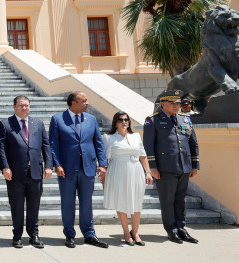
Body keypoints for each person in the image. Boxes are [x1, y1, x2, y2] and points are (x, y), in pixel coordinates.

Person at [49, 91, 108, 249]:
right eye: (84, 101)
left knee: (87, 203)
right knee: (67, 203)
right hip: (67, 169)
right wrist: (57, 164)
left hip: (88, 167)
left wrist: (102, 164)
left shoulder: (91, 119)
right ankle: (69, 234)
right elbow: (53, 144)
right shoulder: (58, 119)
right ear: (73, 103)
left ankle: (89, 234)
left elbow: (98, 143)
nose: (87, 103)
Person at [144, 90, 200, 244]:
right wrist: (153, 167)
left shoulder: (185, 119)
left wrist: (195, 165)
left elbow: (193, 143)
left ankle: (181, 228)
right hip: (165, 167)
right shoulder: (153, 120)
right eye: (172, 103)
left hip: (184, 166)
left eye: (178, 103)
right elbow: (148, 146)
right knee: (167, 200)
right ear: (163, 104)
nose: (176, 106)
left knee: (180, 200)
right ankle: (171, 230)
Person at [0, 95, 52, 249]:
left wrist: (48, 166)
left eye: (26, 105)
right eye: (21, 105)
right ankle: (17, 235)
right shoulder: (6, 124)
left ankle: (34, 234)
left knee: (34, 206)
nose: (24, 108)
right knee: (17, 205)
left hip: (35, 171)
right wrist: (5, 167)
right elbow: (2, 148)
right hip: (15, 173)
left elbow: (46, 146)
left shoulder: (38, 123)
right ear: (14, 106)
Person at [102, 111, 153, 246]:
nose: (124, 122)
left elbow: (143, 156)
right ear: (115, 123)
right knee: (122, 201)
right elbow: (104, 158)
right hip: (118, 170)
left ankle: (135, 232)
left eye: (126, 119)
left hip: (136, 170)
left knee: (137, 201)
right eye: (120, 120)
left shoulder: (136, 136)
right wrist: (104, 175)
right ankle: (126, 232)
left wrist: (148, 172)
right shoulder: (108, 137)